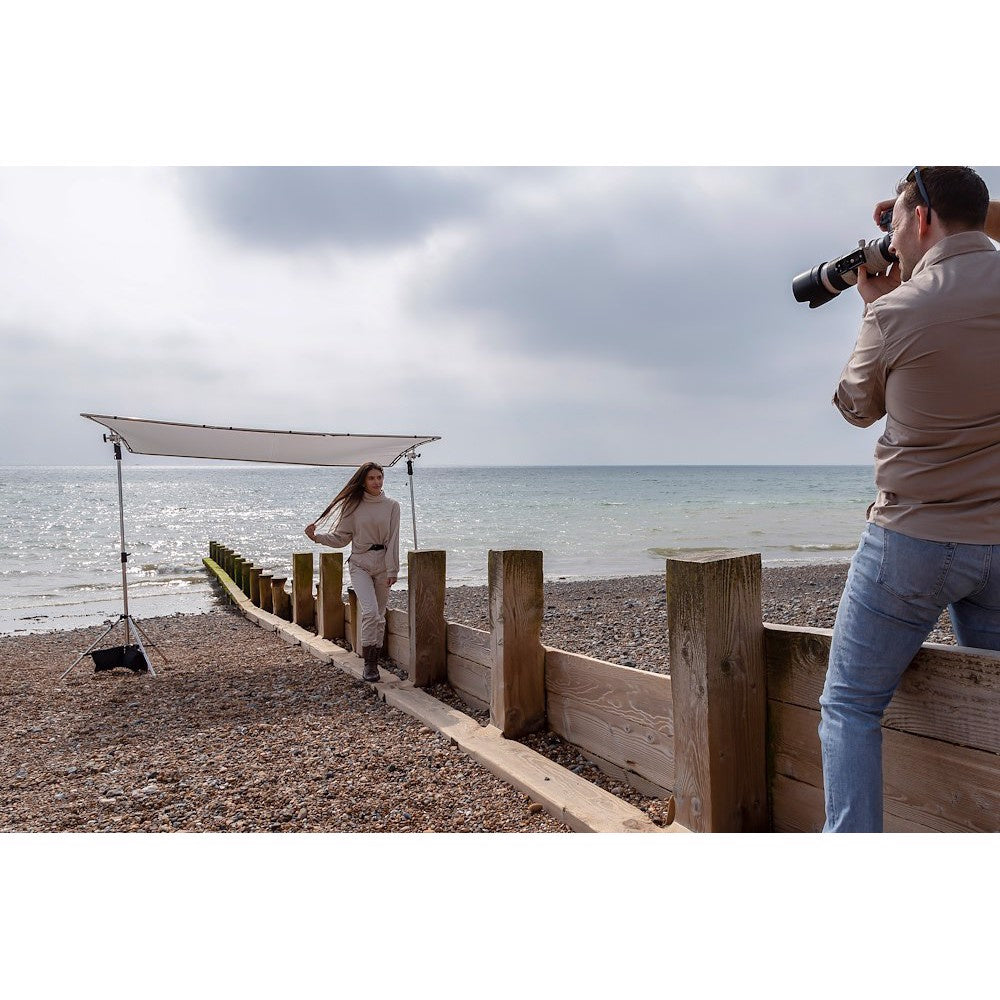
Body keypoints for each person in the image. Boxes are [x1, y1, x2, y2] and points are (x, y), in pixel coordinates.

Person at [820, 166, 1000, 832]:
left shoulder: (900, 308)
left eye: (894, 222)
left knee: (849, 708)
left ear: (921, 219)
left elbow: (854, 407)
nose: (890, 241)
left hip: (911, 542)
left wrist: (874, 308)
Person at [305, 462, 400, 683]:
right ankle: (369, 666)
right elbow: (341, 538)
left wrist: (393, 569)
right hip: (360, 563)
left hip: (383, 564)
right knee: (370, 612)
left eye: (379, 477)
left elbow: (394, 540)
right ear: (363, 482)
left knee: (380, 616)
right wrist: (317, 537)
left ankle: (374, 658)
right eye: (371, 478)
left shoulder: (393, 506)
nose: (377, 482)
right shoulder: (353, 506)